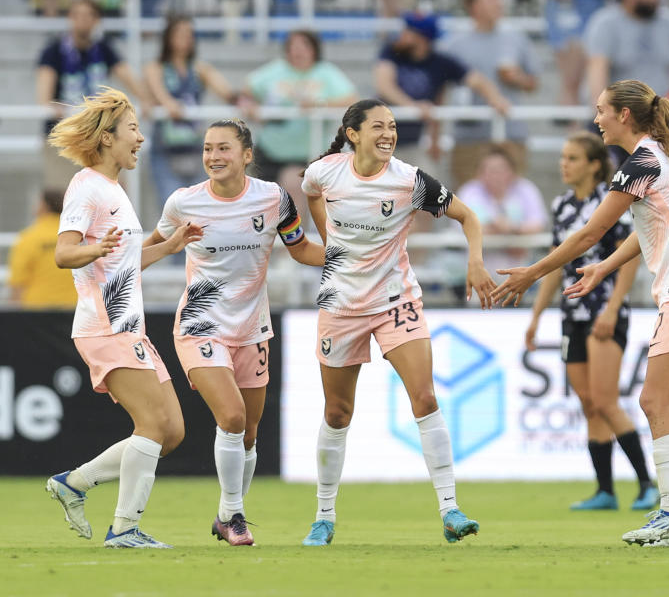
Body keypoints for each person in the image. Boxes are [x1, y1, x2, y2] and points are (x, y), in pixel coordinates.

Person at [493, 80, 669, 548]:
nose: (596, 117)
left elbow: (590, 231)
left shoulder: (641, 162)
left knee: (652, 401)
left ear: (624, 115)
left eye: (601, 109)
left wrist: (532, 273)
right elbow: (649, 226)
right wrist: (605, 265)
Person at [298, 99, 497, 546]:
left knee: (425, 396)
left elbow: (468, 216)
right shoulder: (326, 171)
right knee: (337, 412)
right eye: (378, 127)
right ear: (353, 133)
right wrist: (328, 238)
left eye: (392, 127)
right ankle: (324, 515)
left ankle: (450, 509)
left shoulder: (409, 180)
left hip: (395, 299)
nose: (388, 134)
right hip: (341, 302)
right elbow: (309, 191)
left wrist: (476, 261)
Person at [143, 119, 326, 546]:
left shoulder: (274, 198)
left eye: (223, 148)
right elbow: (152, 247)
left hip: (252, 327)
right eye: (208, 149)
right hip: (200, 324)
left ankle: (227, 515)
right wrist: (116, 274)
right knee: (232, 416)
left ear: (247, 155)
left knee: (248, 432)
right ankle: (234, 515)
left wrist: (347, 257)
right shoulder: (183, 202)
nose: (213, 157)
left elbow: (299, 248)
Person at [44, 87, 201, 549]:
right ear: (107, 138)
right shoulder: (87, 186)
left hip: (129, 327)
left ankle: (74, 482)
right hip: (104, 327)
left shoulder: (114, 189)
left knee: (171, 430)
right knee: (152, 425)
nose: (140, 139)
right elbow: (63, 253)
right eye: (133, 129)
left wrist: (168, 247)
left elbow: (122, 263)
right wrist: (93, 248)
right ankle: (125, 528)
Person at [524, 131, 657, 511]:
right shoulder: (562, 205)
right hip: (572, 314)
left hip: (603, 310)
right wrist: (535, 317)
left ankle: (648, 484)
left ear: (594, 164)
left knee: (605, 400)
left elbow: (628, 256)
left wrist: (613, 307)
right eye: (563, 157)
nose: (563, 164)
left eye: (572, 158)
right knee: (587, 403)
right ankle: (606, 491)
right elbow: (555, 263)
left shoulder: (610, 201)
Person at [374, 12, 510, 180]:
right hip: (377, 141)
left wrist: (496, 99)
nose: (402, 34)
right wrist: (414, 106)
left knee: (428, 191)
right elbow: (385, 87)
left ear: (421, 38)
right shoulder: (391, 51)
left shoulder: (440, 62)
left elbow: (477, 81)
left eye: (408, 31)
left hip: (412, 144)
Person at [36, 0, 153, 190]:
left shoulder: (104, 49)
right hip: (64, 136)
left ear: (97, 20)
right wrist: (70, 111)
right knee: (61, 197)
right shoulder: (53, 52)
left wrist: (146, 100)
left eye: (89, 15)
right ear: (70, 18)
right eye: (77, 15)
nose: (83, 20)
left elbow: (129, 77)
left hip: (97, 137)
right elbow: (44, 99)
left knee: (110, 197)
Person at [439, 0, 540, 185]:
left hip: (511, 135)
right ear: (473, 5)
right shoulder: (453, 44)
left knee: (513, 204)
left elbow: (533, 83)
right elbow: (439, 88)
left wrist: (517, 78)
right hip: (469, 136)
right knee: (468, 204)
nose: (499, 3)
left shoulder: (516, 38)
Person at [244, 29, 358, 213]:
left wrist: (319, 104)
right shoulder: (275, 70)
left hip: (308, 154)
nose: (297, 52)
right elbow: (247, 92)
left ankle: (296, 240)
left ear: (314, 49)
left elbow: (352, 100)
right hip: (271, 150)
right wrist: (250, 106)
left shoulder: (325, 73)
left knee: (294, 189)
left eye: (303, 46)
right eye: (292, 47)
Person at [145, 16, 237, 208]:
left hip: (195, 146)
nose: (186, 38)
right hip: (166, 148)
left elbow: (227, 92)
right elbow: (160, 95)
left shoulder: (199, 69)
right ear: (168, 37)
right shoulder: (156, 68)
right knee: (172, 207)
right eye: (180, 33)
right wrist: (169, 104)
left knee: (201, 207)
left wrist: (243, 102)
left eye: (189, 34)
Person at [518, 0, 605, 110]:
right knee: (571, 79)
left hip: (595, 4)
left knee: (592, 73)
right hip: (566, 6)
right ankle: (573, 126)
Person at [457, 145, 549, 276]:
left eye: (500, 169)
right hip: (480, 273)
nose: (495, 175)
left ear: (512, 171)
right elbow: (468, 227)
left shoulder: (526, 189)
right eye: (490, 170)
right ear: (479, 173)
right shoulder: (470, 191)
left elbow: (538, 225)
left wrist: (511, 228)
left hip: (522, 271)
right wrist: (512, 237)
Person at [7, 189, 77, 309]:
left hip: (37, 310)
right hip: (75, 309)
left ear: (43, 206)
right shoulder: (79, 237)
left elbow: (18, 281)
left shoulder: (29, 237)